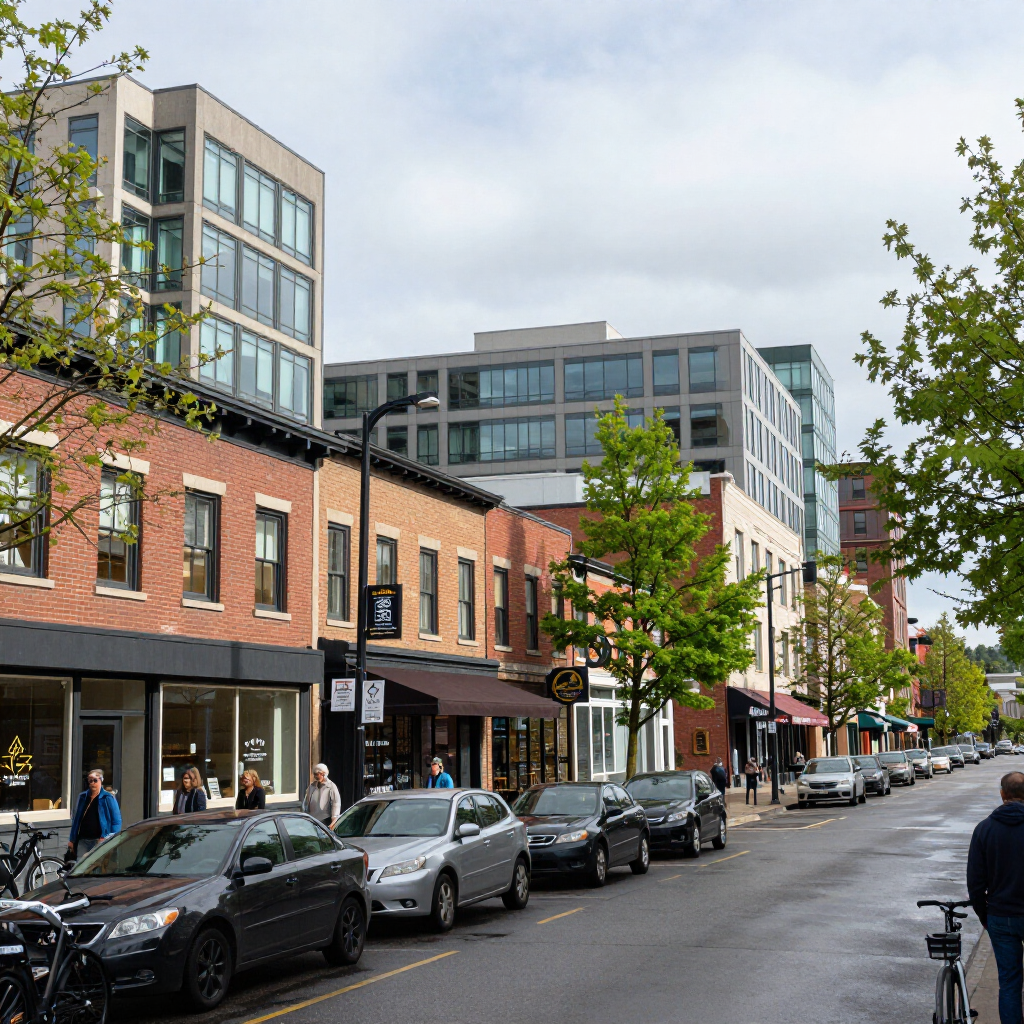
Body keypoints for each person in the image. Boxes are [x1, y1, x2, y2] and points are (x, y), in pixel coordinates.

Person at [967, 770, 1024, 1024]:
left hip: (1001, 916)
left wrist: (985, 916)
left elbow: (975, 882)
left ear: (1002, 795)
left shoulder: (984, 829)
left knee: (1009, 983)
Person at [67, 769, 122, 859]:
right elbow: (76, 820)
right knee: (81, 867)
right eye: (90, 781)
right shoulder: (82, 797)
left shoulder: (107, 798)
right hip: (83, 839)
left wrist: (109, 838)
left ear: (101, 780)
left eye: (95, 780)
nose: (92, 783)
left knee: (97, 867)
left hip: (99, 840)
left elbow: (116, 821)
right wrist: (71, 840)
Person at [303, 763, 341, 828]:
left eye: (317, 774)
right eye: (314, 774)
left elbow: (336, 804)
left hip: (325, 820)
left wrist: (334, 821)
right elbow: (306, 802)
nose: (315, 776)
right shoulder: (311, 787)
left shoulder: (331, 787)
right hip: (312, 819)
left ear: (323, 774)